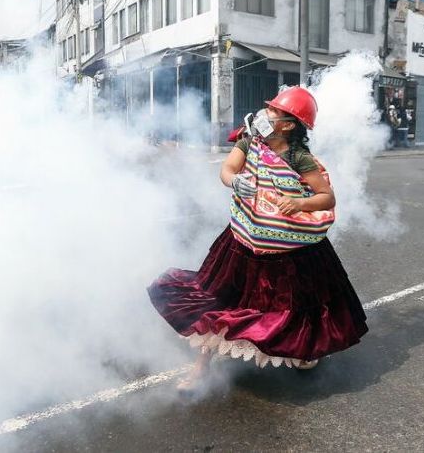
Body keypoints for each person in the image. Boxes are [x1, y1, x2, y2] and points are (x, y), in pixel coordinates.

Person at [148, 87, 368, 391]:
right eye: (269, 108)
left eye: (275, 111)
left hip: (288, 248)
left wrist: (300, 204)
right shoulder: (250, 140)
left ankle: (303, 353)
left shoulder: (300, 157)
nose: (266, 113)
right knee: (218, 298)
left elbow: (326, 198)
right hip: (242, 238)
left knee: (297, 309)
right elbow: (227, 169)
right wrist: (235, 181)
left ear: (288, 125)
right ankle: (200, 369)